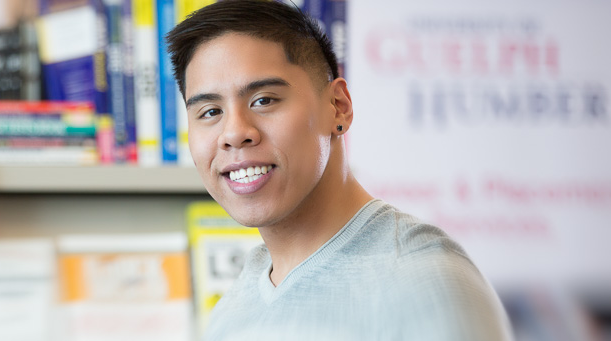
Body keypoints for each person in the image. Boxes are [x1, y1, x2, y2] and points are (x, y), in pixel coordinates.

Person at [165, 1, 512, 340]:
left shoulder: (424, 280)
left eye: (264, 100)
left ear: (338, 107)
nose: (234, 133)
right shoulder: (233, 307)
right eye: (210, 111)